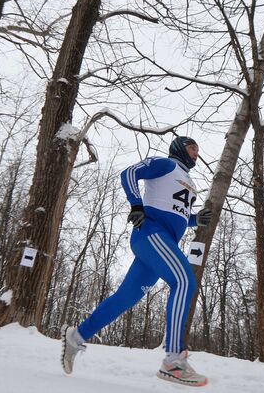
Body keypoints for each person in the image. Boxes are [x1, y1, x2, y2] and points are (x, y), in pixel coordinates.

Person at [61, 136, 212, 387]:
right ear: (179, 148)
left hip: (163, 245)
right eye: (192, 147)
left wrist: (197, 220)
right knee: (184, 281)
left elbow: (179, 213)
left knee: (125, 299)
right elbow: (129, 173)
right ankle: (173, 360)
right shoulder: (165, 164)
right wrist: (136, 205)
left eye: (198, 149)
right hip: (151, 234)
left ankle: (76, 336)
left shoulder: (190, 182)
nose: (196, 152)